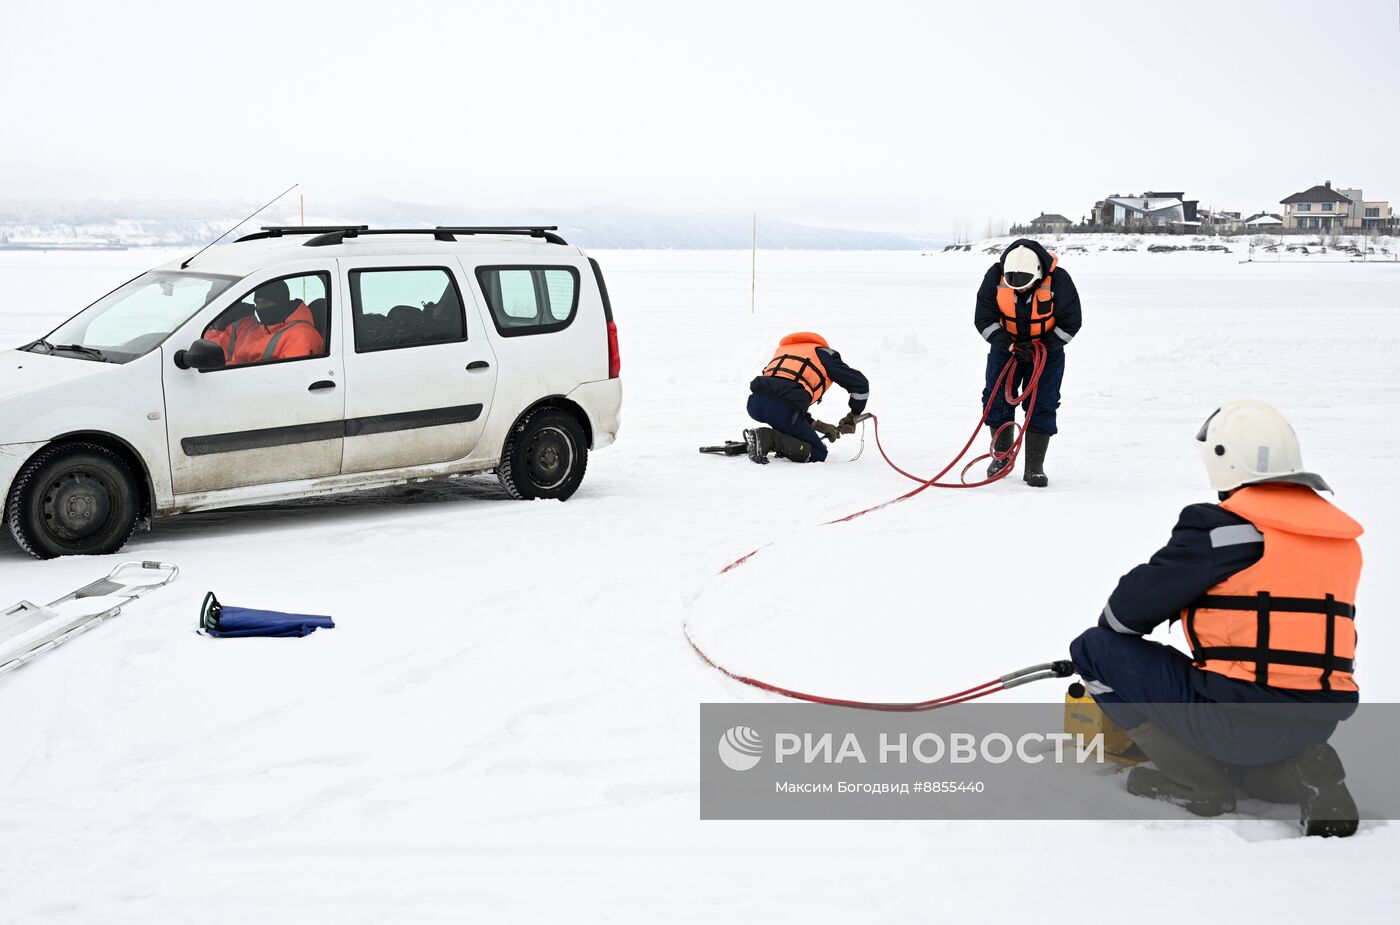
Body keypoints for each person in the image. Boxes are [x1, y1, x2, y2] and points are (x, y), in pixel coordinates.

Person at [1069, 400, 1362, 836]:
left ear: (1222, 459)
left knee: (1094, 649)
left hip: (1235, 723)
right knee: (1246, 758)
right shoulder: (1337, 540)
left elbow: (1122, 618)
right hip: (1317, 724)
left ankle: (1196, 784)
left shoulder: (1223, 530)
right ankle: (1302, 773)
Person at [973, 238, 1081, 486]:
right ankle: (1001, 457)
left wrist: (1043, 346)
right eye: (1015, 286)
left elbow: (1071, 322)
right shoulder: (994, 277)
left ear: (1038, 275)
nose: (1020, 290)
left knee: (1043, 402)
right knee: (996, 398)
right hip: (1005, 348)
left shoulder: (1060, 281)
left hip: (1046, 351)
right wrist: (1007, 343)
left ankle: (1034, 466)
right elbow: (983, 318)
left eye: (1026, 285)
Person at [743, 332, 869, 464]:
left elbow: (783, 396)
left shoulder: (784, 351)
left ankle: (771, 440)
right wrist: (853, 415)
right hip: (783, 410)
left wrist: (819, 426)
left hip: (755, 404)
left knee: (788, 425)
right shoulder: (822, 353)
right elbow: (860, 384)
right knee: (818, 452)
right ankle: (767, 438)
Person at [205, 279, 324, 367]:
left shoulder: (302, 335)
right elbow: (237, 361)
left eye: (265, 302)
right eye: (257, 303)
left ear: (281, 302)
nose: (260, 308)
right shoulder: (255, 330)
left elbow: (293, 374)